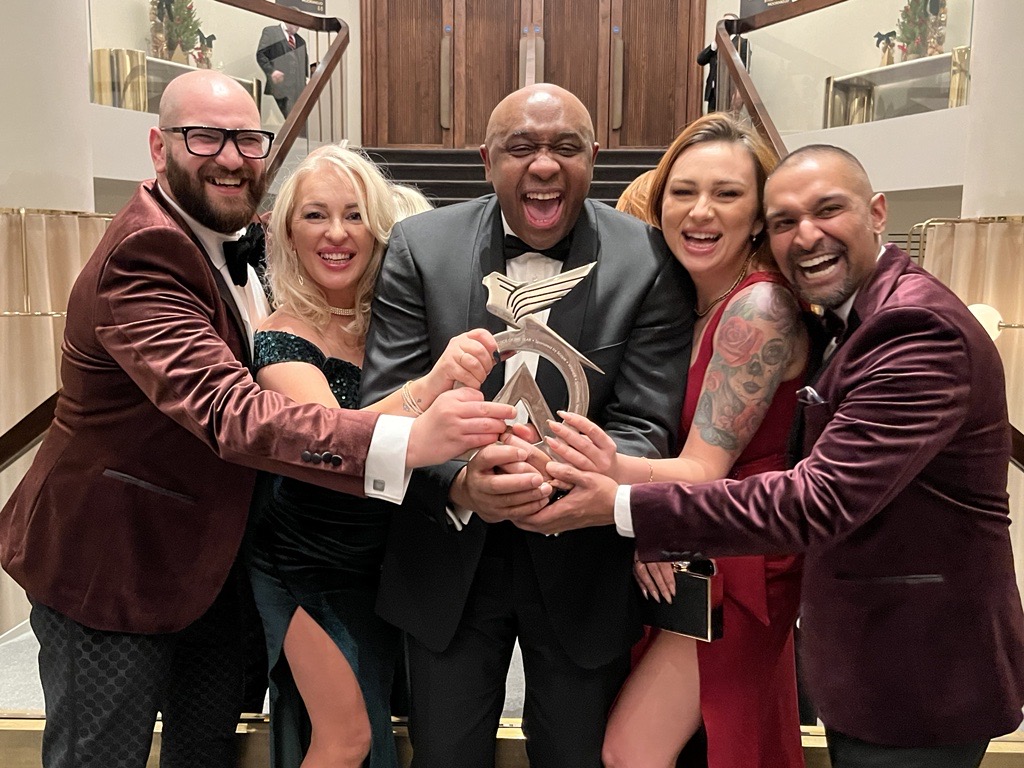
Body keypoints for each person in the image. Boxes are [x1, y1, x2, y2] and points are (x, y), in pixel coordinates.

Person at [0, 70, 513, 768]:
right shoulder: (143, 253)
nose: (231, 157)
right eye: (204, 137)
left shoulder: (239, 242)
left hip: (214, 564)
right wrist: (412, 432)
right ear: (158, 147)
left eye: (247, 139)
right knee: (102, 756)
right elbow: (231, 414)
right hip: (115, 562)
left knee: (206, 750)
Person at [527, 144, 1024, 768]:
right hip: (823, 612)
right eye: (788, 219)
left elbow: (817, 497)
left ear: (877, 213)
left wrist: (626, 505)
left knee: (643, 747)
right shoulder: (840, 311)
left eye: (827, 210)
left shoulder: (908, 325)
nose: (806, 235)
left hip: (911, 653)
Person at [359, 83, 695, 768]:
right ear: (487, 161)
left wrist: (569, 479)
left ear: (593, 157)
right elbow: (388, 406)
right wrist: (460, 485)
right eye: (521, 147)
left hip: (584, 563)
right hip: (447, 557)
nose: (544, 164)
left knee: (576, 757)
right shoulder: (419, 247)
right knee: (445, 757)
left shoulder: (650, 259)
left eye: (565, 146)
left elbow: (645, 421)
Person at [547, 113, 807, 768]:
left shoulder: (758, 309)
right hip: (694, 539)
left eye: (727, 194)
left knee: (633, 748)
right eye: (683, 192)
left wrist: (610, 472)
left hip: (740, 552)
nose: (700, 211)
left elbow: (704, 468)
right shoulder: (694, 302)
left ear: (759, 216)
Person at [248, 145, 498, 768]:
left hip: (384, 560)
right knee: (347, 738)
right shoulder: (280, 335)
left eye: (354, 214)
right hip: (303, 561)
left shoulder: (394, 321)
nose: (336, 233)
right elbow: (330, 439)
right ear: (288, 232)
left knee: (381, 733)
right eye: (315, 215)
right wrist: (430, 386)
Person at [257, 22, 308, 119]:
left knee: (299, 119)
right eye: (297, 23)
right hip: (280, 86)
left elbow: (303, 64)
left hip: (298, 90)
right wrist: (272, 71)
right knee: (291, 118)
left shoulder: (301, 41)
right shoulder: (271, 32)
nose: (299, 26)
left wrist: (306, 80)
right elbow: (261, 55)